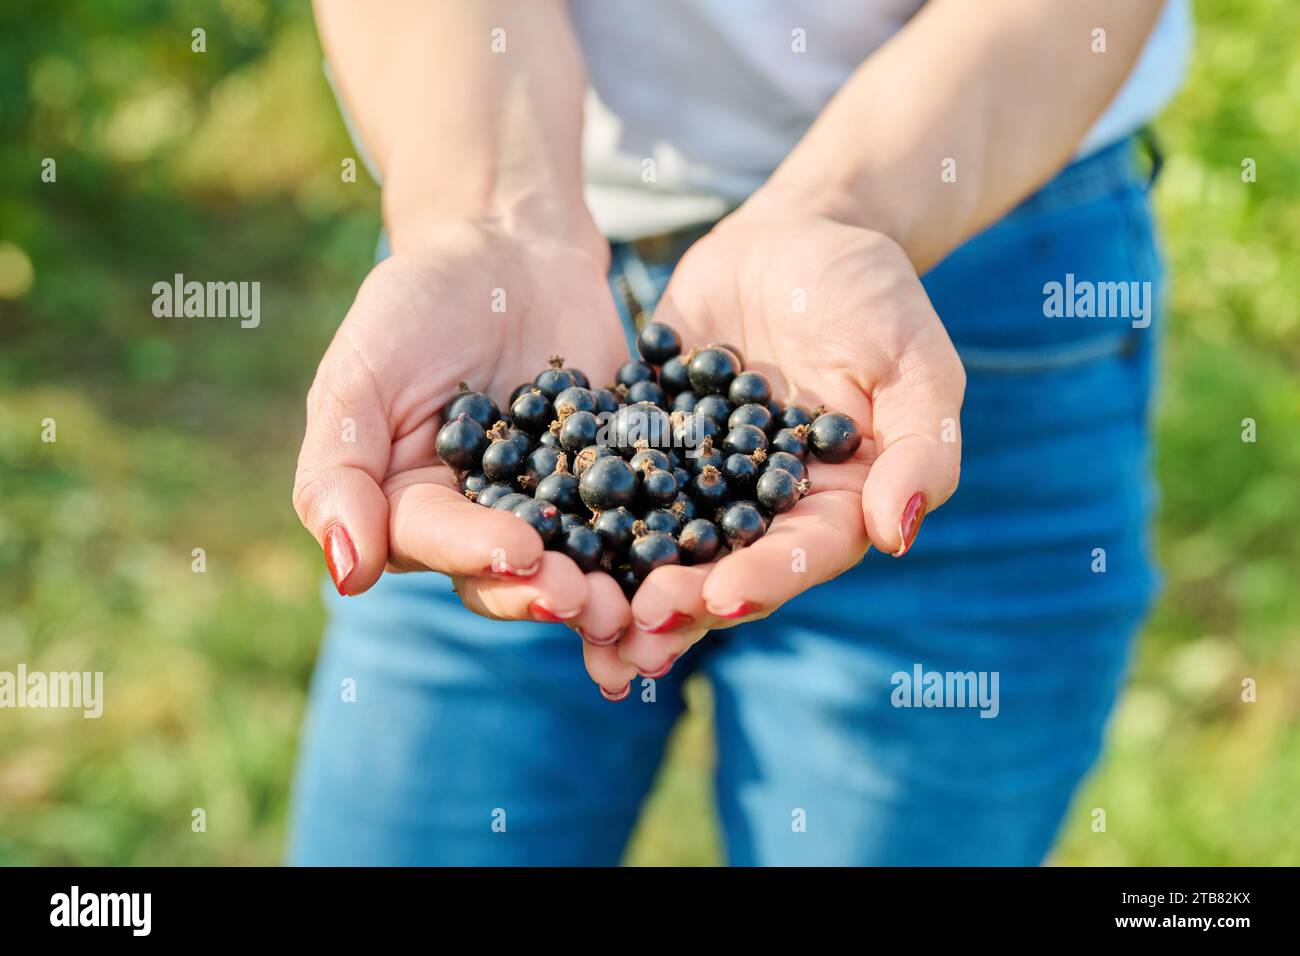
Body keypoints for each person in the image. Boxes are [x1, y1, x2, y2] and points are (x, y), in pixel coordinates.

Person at [289, 0, 1190, 865]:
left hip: (969, 276)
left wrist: (843, 215)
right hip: (494, 316)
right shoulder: (533, 426)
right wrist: (482, 221)